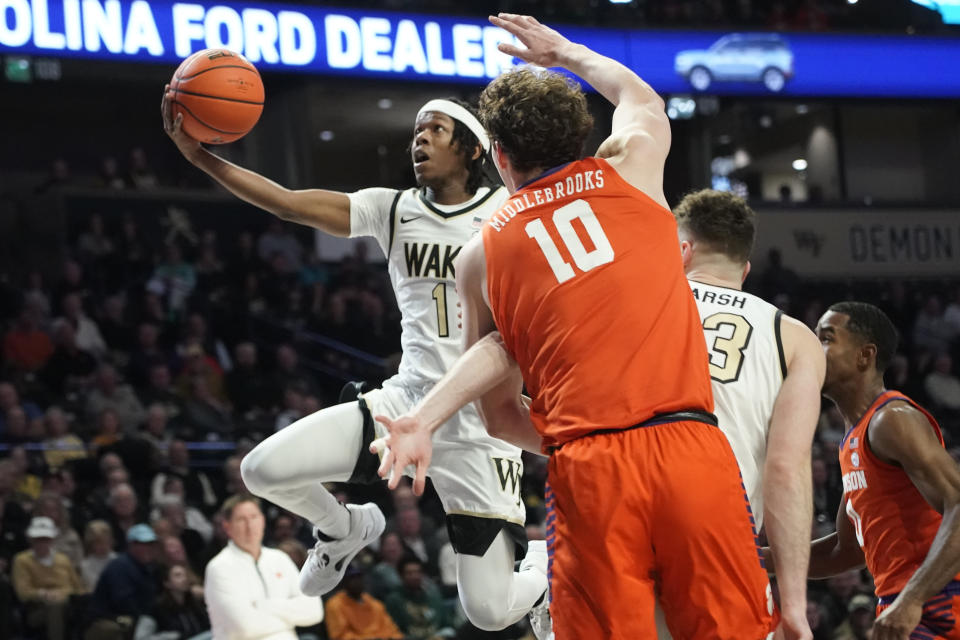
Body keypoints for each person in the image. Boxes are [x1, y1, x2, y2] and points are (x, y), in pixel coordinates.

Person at [373, 14, 773, 640]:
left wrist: (435, 418)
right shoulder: (632, 169)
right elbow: (640, 97)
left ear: (498, 156)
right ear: (580, 134)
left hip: (588, 468)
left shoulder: (482, 252)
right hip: (690, 445)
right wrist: (565, 52)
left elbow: (500, 415)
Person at [162, 65, 546, 632]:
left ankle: (545, 574)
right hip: (407, 403)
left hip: (480, 423)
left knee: (488, 613)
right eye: (415, 131)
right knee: (261, 471)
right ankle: (344, 527)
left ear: (470, 148)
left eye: (434, 129)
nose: (418, 139)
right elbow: (289, 203)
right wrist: (202, 160)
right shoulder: (392, 208)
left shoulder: (510, 215)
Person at [651, 189, 825, 640]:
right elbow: (786, 469)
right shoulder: (794, 337)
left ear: (681, 250)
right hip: (720, 531)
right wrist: (794, 606)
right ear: (746, 268)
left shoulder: (639, 302)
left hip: (626, 509)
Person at [769, 302, 960, 639]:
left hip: (939, 604)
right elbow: (845, 551)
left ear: (865, 355)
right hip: (903, 604)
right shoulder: (853, 439)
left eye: (826, 338)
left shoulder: (891, 419)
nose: (813, 349)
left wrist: (912, 599)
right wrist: (760, 560)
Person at [203, 494, 323, 639]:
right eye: (241, 519)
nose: (249, 525)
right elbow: (245, 628)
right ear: (227, 526)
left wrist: (264, 605)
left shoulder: (280, 558)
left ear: (262, 520)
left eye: (254, 517)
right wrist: (290, 618)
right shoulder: (219, 567)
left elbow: (315, 611)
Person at [12, 516, 87, 640]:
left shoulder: (63, 558)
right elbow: (23, 592)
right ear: (31, 540)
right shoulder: (21, 560)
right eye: (38, 539)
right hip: (38, 608)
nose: (42, 543)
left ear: (52, 539)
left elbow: (77, 586)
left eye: (45, 539)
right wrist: (43, 594)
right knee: (55, 606)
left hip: (69, 601)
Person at [85, 524, 160, 640]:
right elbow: (124, 602)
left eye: (151, 544)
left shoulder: (148, 566)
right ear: (131, 545)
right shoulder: (120, 566)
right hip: (105, 620)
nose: (148, 548)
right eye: (142, 544)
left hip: (134, 617)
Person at [324, 564, 403, 640]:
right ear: (344, 582)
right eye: (352, 578)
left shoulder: (375, 604)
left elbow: (392, 630)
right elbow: (339, 636)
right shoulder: (335, 604)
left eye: (359, 577)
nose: (357, 581)